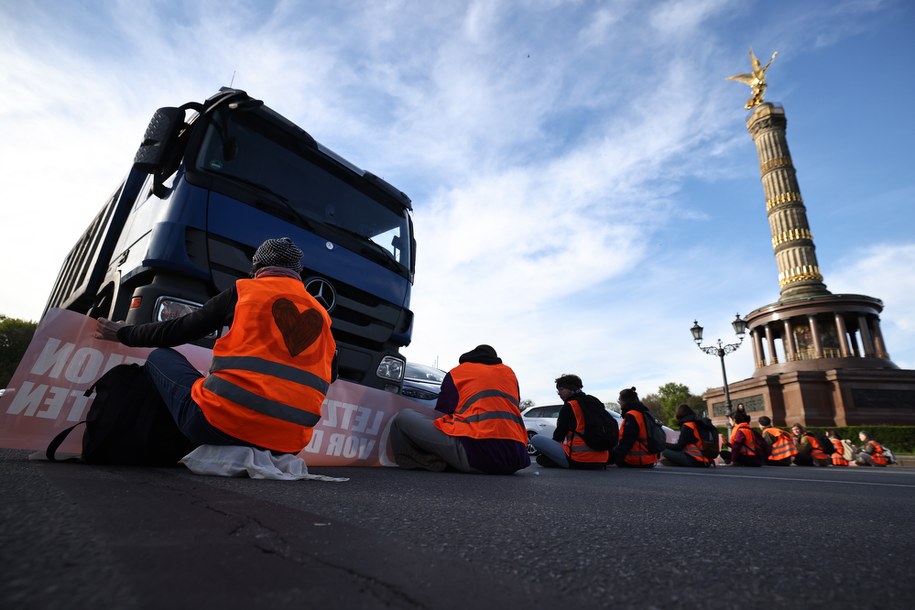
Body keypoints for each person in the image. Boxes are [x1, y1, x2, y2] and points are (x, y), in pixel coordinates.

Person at [95, 237, 337, 454]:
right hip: (288, 445)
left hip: (219, 426)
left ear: (257, 267)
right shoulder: (322, 315)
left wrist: (123, 333)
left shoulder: (246, 291)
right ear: (297, 272)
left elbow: (177, 331)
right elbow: (332, 374)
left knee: (160, 357)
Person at [388, 345, 530, 474]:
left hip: (478, 454)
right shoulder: (509, 374)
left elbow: (441, 412)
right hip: (516, 457)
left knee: (402, 418)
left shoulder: (458, 372)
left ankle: (425, 461)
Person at [530, 374, 616, 469]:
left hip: (578, 459)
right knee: (544, 459)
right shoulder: (595, 402)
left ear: (571, 388)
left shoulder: (570, 406)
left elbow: (559, 434)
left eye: (561, 389)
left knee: (536, 439)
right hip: (602, 460)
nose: (559, 393)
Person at [612, 387, 658, 468]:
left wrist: (616, 459)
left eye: (619, 401)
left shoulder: (632, 416)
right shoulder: (645, 413)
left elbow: (627, 440)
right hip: (649, 459)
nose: (620, 404)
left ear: (625, 402)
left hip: (635, 460)